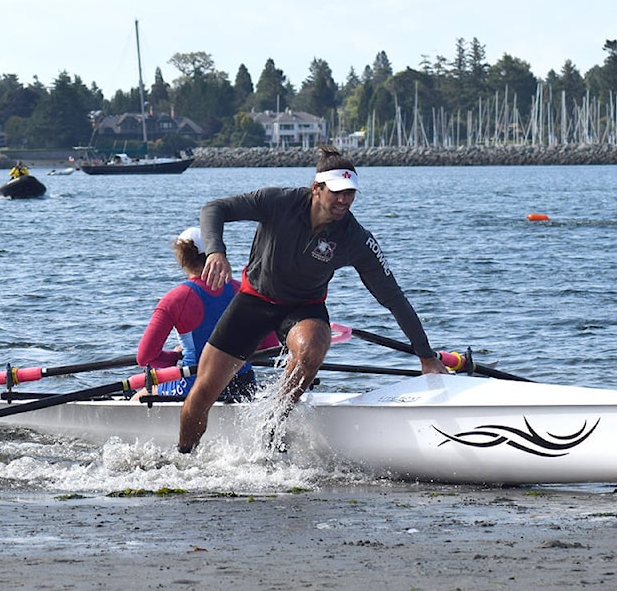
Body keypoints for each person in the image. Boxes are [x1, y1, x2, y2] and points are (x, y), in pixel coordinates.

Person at [178, 145, 450, 453]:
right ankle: (184, 457)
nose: (344, 200)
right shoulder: (278, 202)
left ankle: (270, 425)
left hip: (303, 308)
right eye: (336, 192)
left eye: (350, 193)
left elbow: (393, 298)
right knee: (202, 394)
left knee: (315, 345)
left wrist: (426, 356)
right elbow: (214, 209)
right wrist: (216, 250)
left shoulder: (355, 238)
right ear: (316, 188)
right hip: (253, 302)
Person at [133, 227, 277, 403]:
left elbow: (145, 357)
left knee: (145, 392)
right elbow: (270, 347)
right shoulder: (245, 291)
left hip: (195, 383)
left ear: (182, 258)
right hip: (242, 386)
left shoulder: (175, 299)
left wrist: (174, 357)